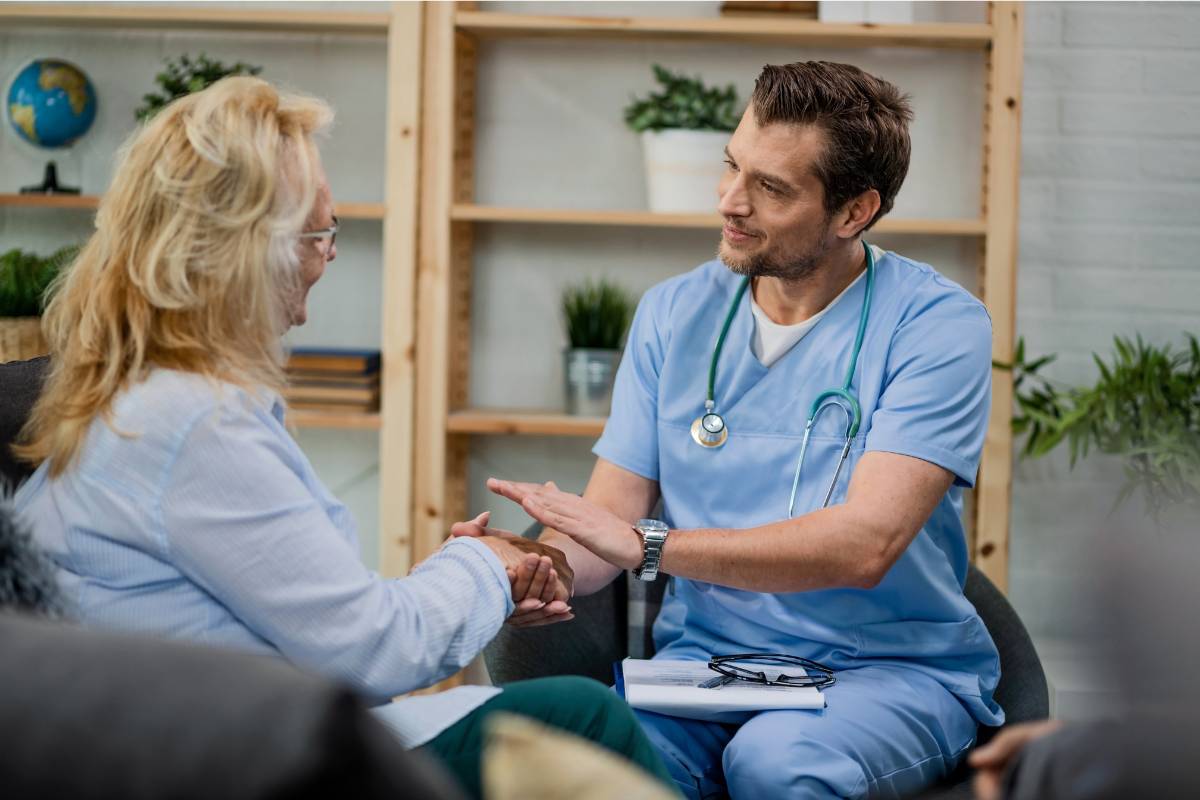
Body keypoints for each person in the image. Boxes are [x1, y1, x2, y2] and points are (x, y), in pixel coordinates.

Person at [10, 77, 673, 799]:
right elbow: (378, 650)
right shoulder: (194, 423)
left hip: (208, 731)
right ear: (245, 251)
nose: (328, 256)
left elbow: (316, 614)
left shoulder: (135, 390)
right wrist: (482, 564)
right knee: (581, 718)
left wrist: (468, 571)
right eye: (316, 234)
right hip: (235, 762)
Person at [472, 61, 1004, 799]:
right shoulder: (672, 314)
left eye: (772, 188)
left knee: (779, 763)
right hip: (708, 672)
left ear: (854, 211)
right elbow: (610, 525)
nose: (731, 201)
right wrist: (534, 567)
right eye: (732, 166)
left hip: (884, 673)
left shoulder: (936, 325)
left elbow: (866, 545)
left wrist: (651, 548)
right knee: (596, 765)